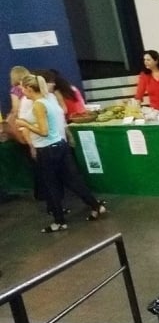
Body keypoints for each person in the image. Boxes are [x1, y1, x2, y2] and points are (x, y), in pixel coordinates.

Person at [17, 75, 107, 233]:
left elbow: (43, 131)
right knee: (73, 180)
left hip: (47, 149)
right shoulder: (49, 99)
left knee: (51, 185)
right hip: (60, 145)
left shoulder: (38, 105)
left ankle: (59, 221)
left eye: (23, 88)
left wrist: (25, 124)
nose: (22, 91)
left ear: (30, 88)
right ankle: (95, 205)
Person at [6, 65, 31, 144]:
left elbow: (15, 108)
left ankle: (22, 143)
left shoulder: (15, 90)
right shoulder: (31, 86)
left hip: (23, 117)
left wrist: (10, 118)